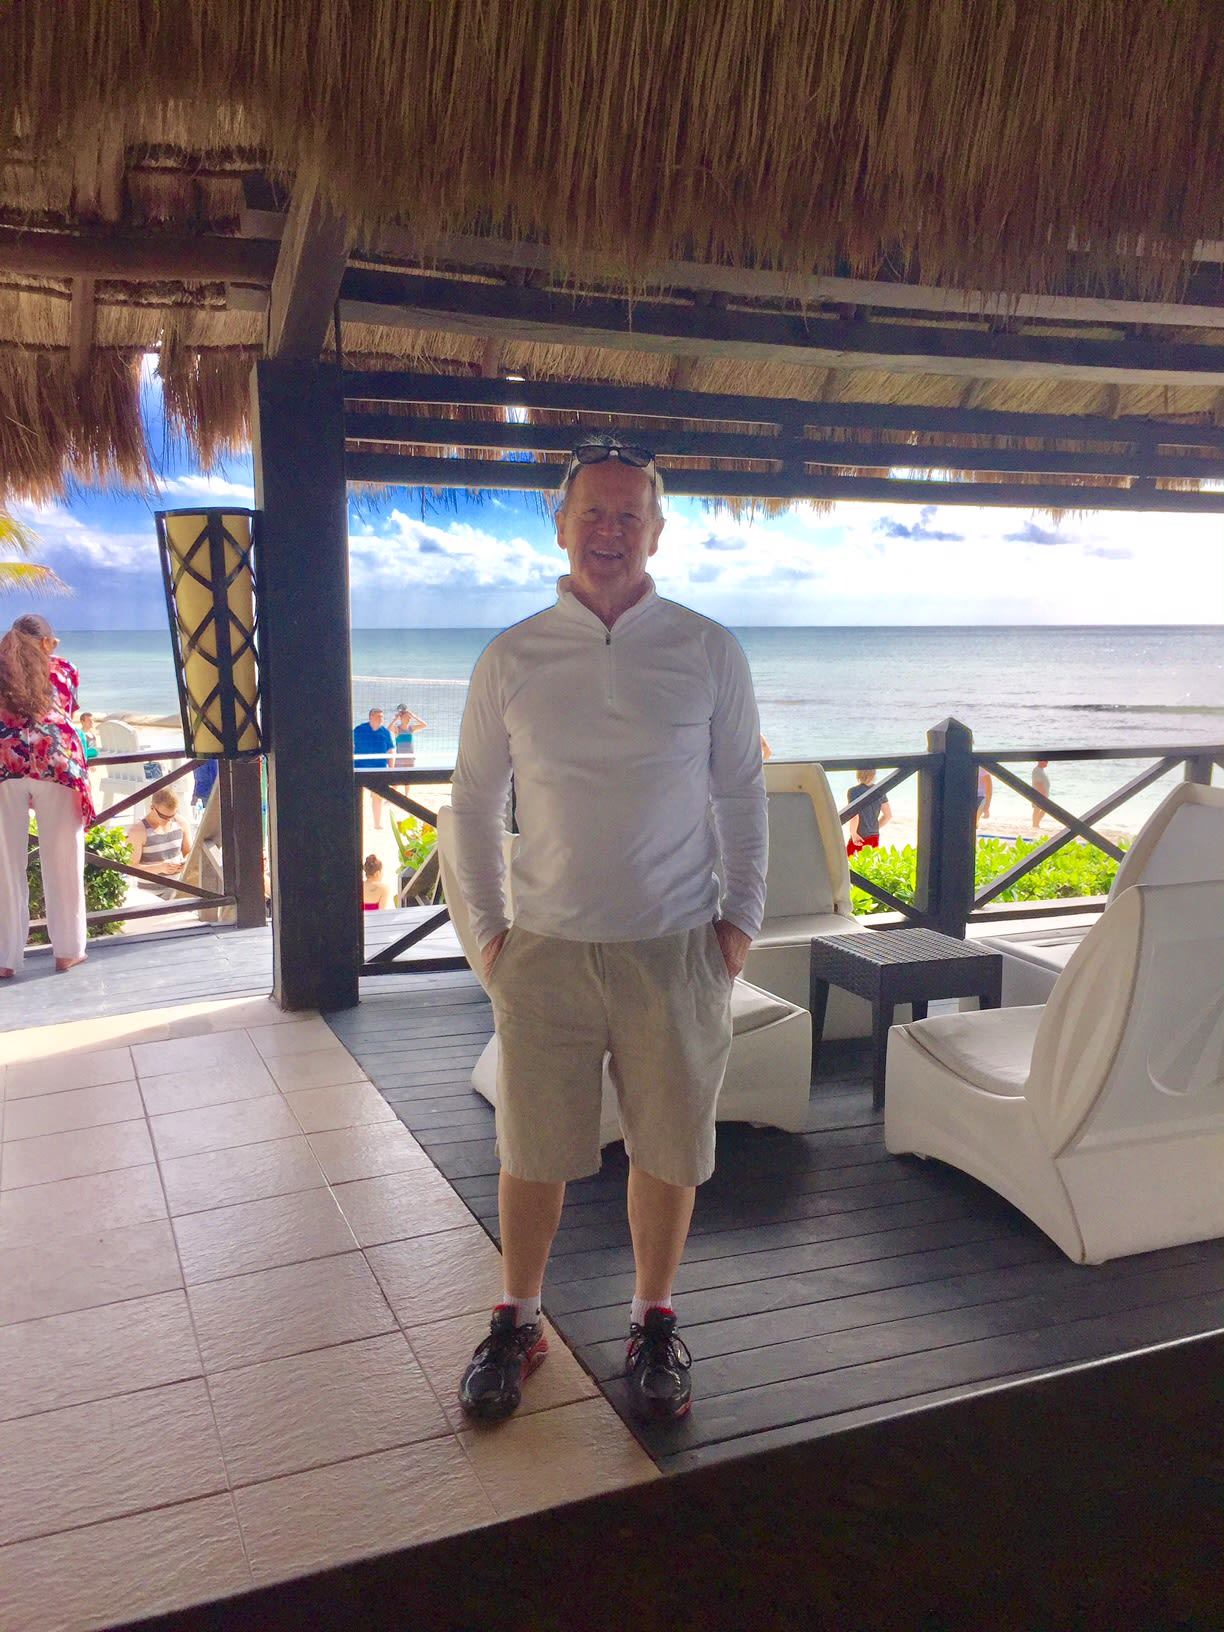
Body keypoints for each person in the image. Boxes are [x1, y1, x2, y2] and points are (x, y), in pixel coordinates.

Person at [450, 435, 767, 1425]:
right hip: (544, 948)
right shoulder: (512, 656)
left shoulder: (709, 649)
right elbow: (470, 805)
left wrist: (740, 925)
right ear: (561, 525)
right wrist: (488, 938)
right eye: (594, 511)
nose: (611, 530)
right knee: (532, 1148)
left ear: (658, 532)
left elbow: (742, 792)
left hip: (676, 946)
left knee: (667, 1148)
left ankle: (653, 1318)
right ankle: (519, 1318)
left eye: (632, 514)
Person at [0, 613, 93, 977]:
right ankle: (68, 951)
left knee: (5, 866)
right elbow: (64, 711)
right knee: (64, 860)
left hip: (5, 764)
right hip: (56, 764)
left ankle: (5, 958)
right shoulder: (64, 669)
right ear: (45, 643)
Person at [127, 789, 190, 898]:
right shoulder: (138, 831)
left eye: (173, 815)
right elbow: (131, 868)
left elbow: (189, 852)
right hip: (150, 895)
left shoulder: (180, 822)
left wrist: (185, 863)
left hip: (178, 889)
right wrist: (159, 868)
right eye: (164, 817)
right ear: (152, 808)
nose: (169, 820)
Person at [353, 707, 394, 830]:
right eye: (378, 716)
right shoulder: (359, 730)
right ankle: (356, 823)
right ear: (371, 717)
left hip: (379, 768)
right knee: (357, 796)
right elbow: (350, 745)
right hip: (360, 768)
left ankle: (377, 823)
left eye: (382, 717)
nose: (381, 719)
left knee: (378, 796)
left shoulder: (385, 732)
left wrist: (391, 769)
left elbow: (390, 750)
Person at [845, 767, 890, 856]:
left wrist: (853, 834)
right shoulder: (880, 790)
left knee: (850, 862)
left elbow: (854, 815)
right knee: (870, 862)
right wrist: (874, 828)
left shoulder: (853, 791)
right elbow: (888, 815)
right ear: (873, 774)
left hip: (860, 836)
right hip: (874, 836)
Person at [390, 704, 428, 770]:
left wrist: (413, 716)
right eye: (407, 717)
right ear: (401, 718)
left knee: (410, 776)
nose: (409, 719)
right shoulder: (397, 729)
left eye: (409, 717)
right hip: (400, 759)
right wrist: (395, 719)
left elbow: (424, 725)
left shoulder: (411, 728)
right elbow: (388, 729)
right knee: (398, 776)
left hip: (410, 758)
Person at [1031, 759, 1051, 829]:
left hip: (1042, 794)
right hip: (1039, 794)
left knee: (1041, 809)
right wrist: (1043, 794)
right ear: (1040, 761)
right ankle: (1035, 824)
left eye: (1047, 762)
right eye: (1046, 762)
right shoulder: (1037, 770)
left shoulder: (1041, 770)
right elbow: (1038, 783)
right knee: (1038, 809)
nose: (1047, 763)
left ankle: (1036, 824)